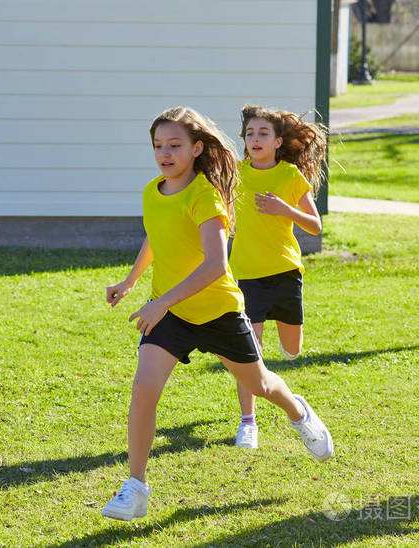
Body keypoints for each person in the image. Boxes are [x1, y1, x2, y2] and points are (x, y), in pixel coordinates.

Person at [101, 106, 333, 522]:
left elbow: (215, 266)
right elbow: (155, 238)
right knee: (143, 389)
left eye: (175, 145)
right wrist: (132, 282)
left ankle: (298, 412)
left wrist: (160, 302)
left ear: (197, 149)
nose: (165, 153)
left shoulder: (206, 196)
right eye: (158, 145)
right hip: (172, 315)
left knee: (261, 384)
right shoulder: (153, 191)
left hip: (218, 311)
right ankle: (135, 487)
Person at [229, 105, 326, 450]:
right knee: (249, 354)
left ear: (278, 141)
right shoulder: (235, 174)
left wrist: (285, 209)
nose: (255, 139)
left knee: (292, 350)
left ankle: (282, 387)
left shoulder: (289, 177)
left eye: (263, 134)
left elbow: (315, 226)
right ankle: (248, 422)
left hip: (285, 272)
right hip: (246, 274)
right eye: (250, 134)